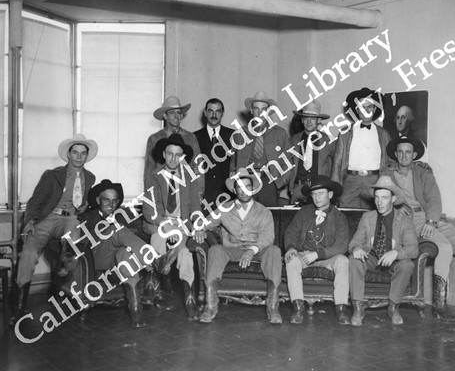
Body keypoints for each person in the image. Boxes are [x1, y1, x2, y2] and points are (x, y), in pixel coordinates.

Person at [385, 136, 455, 321]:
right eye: (400, 152)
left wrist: (432, 221)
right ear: (395, 154)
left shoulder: (423, 173)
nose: (404, 156)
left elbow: (434, 199)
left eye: (408, 152)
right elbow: (377, 195)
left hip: (430, 218)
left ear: (415, 155)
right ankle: (439, 305)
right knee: (444, 247)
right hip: (408, 222)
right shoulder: (387, 174)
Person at [11, 134, 97, 325]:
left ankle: (64, 268)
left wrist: (84, 207)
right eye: (75, 152)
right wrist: (30, 222)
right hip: (46, 218)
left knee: (74, 228)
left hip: (69, 219)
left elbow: (86, 201)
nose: (79, 157)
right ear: (68, 154)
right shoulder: (52, 175)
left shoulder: (90, 178)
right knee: (28, 254)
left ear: (86, 156)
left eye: (83, 153)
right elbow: (36, 201)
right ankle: (19, 306)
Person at [194, 168, 282, 324]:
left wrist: (251, 251)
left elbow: (267, 238)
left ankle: (273, 306)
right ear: (234, 190)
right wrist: (200, 229)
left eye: (247, 186)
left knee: (274, 251)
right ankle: (211, 305)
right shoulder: (224, 208)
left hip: (256, 251)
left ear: (253, 188)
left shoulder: (263, 211)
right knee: (215, 250)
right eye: (239, 187)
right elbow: (204, 222)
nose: (243, 191)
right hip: (232, 249)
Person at [142, 134, 202, 321]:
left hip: (182, 224)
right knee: (168, 242)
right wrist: (165, 222)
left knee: (182, 250)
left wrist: (198, 225)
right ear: (164, 154)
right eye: (170, 154)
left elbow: (195, 207)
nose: (173, 158)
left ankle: (187, 295)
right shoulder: (154, 177)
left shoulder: (189, 178)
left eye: (178, 154)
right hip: (160, 222)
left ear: (182, 156)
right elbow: (148, 209)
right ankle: (166, 271)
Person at [80, 179, 154, 328]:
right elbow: (83, 244)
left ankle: (136, 313)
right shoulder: (88, 217)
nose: (111, 205)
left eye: (114, 201)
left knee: (124, 255)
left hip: (117, 264)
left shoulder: (123, 215)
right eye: (106, 200)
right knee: (116, 230)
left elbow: (140, 233)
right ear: (97, 200)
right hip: (97, 262)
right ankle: (153, 261)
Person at [349, 176, 418, 326]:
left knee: (407, 265)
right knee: (353, 260)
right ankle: (358, 307)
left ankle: (393, 307)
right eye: (377, 198)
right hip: (372, 257)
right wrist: (356, 249)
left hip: (394, 262)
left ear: (393, 199)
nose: (379, 202)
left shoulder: (404, 219)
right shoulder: (367, 217)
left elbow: (413, 248)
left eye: (384, 198)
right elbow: (354, 242)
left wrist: (396, 253)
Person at [284, 175, 350, 324]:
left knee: (343, 261)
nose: (317, 197)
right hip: (303, 256)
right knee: (291, 261)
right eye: (314, 194)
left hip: (327, 258)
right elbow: (291, 233)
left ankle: (341, 309)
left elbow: (342, 246)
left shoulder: (339, 217)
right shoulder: (304, 212)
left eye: (321, 193)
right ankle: (298, 307)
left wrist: (318, 254)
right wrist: (290, 248)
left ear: (330, 195)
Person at [332, 87, 391, 209]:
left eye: (370, 107)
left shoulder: (384, 134)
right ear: (357, 110)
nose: (366, 110)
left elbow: (389, 163)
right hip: (350, 182)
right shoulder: (345, 133)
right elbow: (337, 163)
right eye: (363, 107)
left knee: (372, 218)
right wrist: (334, 188)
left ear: (374, 109)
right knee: (347, 214)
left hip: (374, 182)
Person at [230, 91, 291, 207]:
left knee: (269, 217)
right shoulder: (240, 134)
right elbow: (233, 160)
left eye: (263, 109)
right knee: (245, 217)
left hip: (269, 182)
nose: (260, 113)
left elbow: (289, 161)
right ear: (252, 111)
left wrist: (279, 182)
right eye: (256, 109)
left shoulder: (280, 134)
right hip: (246, 181)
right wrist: (235, 180)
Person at [144, 96, 204, 198]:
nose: (177, 116)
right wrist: (149, 196)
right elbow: (148, 172)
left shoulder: (191, 138)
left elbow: (199, 167)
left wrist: (199, 193)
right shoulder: (154, 139)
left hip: (185, 192)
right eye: (172, 113)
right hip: (161, 192)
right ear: (165, 115)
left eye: (179, 113)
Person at [288, 100, 336, 205]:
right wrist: (291, 187)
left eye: (313, 118)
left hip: (319, 189)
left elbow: (336, 165)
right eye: (306, 117)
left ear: (318, 120)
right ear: (301, 119)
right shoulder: (294, 140)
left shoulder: (328, 141)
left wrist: (331, 187)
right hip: (298, 188)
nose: (309, 121)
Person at [194, 98, 234, 211]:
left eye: (218, 111)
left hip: (227, 195)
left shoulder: (233, 136)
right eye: (211, 111)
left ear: (223, 113)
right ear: (205, 113)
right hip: (204, 196)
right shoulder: (194, 137)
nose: (214, 115)